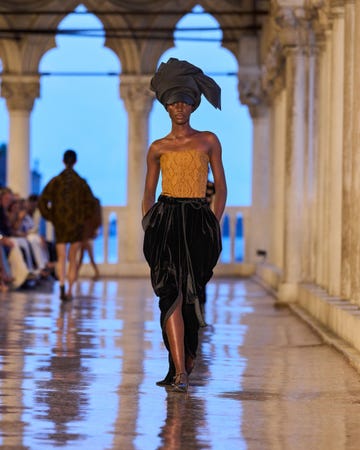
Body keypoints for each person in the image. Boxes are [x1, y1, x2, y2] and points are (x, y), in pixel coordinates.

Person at [142, 58, 227, 392]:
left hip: (196, 220)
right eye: (174, 101)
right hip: (165, 220)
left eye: (186, 101)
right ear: (165, 105)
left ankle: (184, 361)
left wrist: (212, 223)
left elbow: (220, 186)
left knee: (192, 295)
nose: (179, 107)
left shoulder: (208, 141)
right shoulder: (158, 148)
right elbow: (148, 191)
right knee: (170, 294)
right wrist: (149, 225)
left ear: (194, 104)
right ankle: (179, 371)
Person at [38, 149, 97, 301]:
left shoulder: (56, 181)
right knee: (72, 258)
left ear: (63, 161)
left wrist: (51, 216)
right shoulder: (81, 182)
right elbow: (91, 203)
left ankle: (62, 284)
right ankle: (70, 290)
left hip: (60, 223)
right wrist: (83, 217)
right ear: (75, 161)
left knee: (61, 256)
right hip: (76, 224)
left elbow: (42, 201)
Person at [77, 197, 101, 280]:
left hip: (86, 233)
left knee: (85, 255)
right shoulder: (91, 203)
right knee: (83, 255)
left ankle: (96, 273)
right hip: (86, 233)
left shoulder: (91, 203)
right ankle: (96, 273)